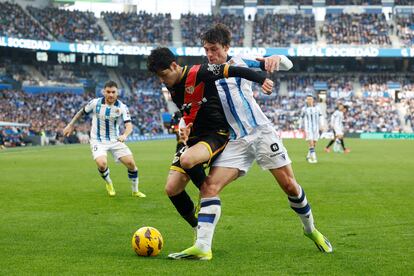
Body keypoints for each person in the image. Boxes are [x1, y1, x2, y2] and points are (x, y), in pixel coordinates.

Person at [168, 24, 332, 261]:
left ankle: (311, 230)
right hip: (234, 141)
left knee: (289, 186)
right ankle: (203, 247)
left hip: (261, 133)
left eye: (214, 49)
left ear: (226, 47)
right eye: (206, 50)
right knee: (208, 188)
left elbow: (286, 64)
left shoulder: (243, 63)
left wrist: (276, 58)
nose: (210, 55)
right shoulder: (204, 72)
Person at [147, 47, 274, 234]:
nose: (162, 80)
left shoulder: (200, 72)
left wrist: (262, 79)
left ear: (174, 66)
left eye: (163, 75)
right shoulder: (170, 84)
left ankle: (207, 195)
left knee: (188, 160)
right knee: (172, 189)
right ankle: (197, 227)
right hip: (193, 137)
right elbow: (189, 108)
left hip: (215, 134)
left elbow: (233, 70)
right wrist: (185, 125)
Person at [63, 80, 146, 197]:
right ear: (103, 92)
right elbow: (81, 112)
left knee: (131, 164)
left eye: (113, 92)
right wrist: (70, 124)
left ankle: (135, 191)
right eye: (108, 92)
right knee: (102, 164)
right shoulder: (95, 103)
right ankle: (109, 183)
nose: (111, 95)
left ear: (117, 93)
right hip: (98, 140)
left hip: (115, 140)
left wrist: (124, 135)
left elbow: (129, 126)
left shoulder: (122, 107)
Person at [300, 95, 322, 163]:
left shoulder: (317, 108)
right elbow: (301, 118)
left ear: (313, 100)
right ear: (306, 100)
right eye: (308, 99)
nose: (309, 100)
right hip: (308, 128)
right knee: (311, 143)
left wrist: (322, 125)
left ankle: (308, 156)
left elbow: (320, 117)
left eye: (310, 99)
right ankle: (314, 159)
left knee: (314, 144)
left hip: (316, 128)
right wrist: (300, 126)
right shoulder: (304, 109)